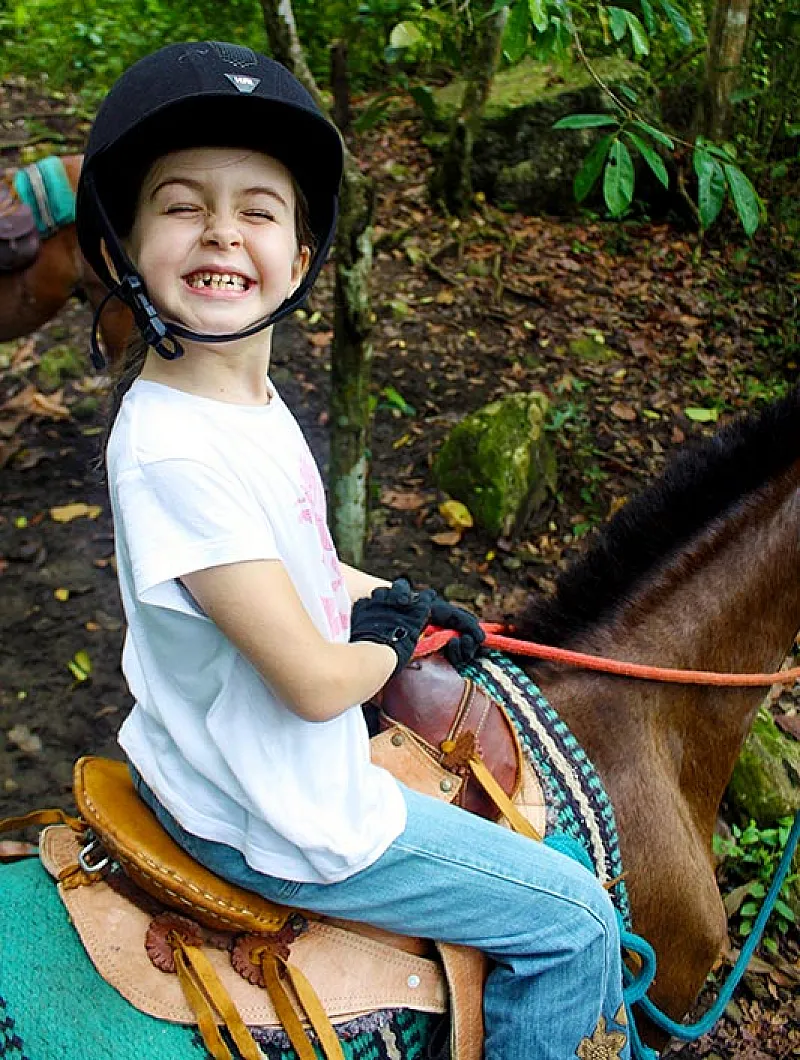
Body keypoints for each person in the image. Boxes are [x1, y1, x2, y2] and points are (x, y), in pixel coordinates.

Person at [77, 41, 631, 1060]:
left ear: (297, 256)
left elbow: (292, 563)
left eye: (257, 210)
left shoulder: (235, 396)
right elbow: (313, 683)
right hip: (282, 823)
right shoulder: (172, 451)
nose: (221, 231)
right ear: (123, 244)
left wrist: (406, 598)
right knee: (577, 917)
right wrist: (379, 643)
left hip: (220, 774)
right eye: (180, 203)